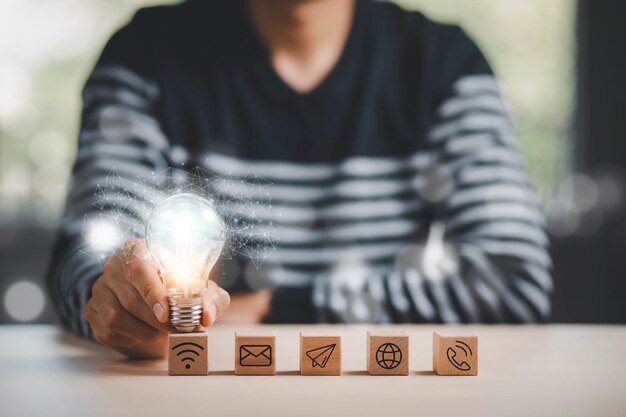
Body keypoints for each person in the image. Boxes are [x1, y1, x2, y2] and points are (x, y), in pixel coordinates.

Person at [46, 0, 552, 358]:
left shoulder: (444, 66)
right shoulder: (144, 58)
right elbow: (86, 257)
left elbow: (512, 277)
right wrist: (119, 299)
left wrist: (272, 307)